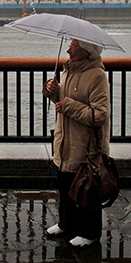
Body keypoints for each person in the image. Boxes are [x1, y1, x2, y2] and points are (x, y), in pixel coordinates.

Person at [43, 39, 111, 247]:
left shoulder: (97, 76)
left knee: (87, 188)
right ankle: (66, 223)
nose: (69, 50)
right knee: (65, 184)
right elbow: (61, 101)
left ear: (86, 52)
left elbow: (100, 115)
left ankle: (89, 233)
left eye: (74, 47)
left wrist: (69, 106)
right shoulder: (68, 70)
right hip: (66, 140)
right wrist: (52, 91)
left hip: (86, 145)